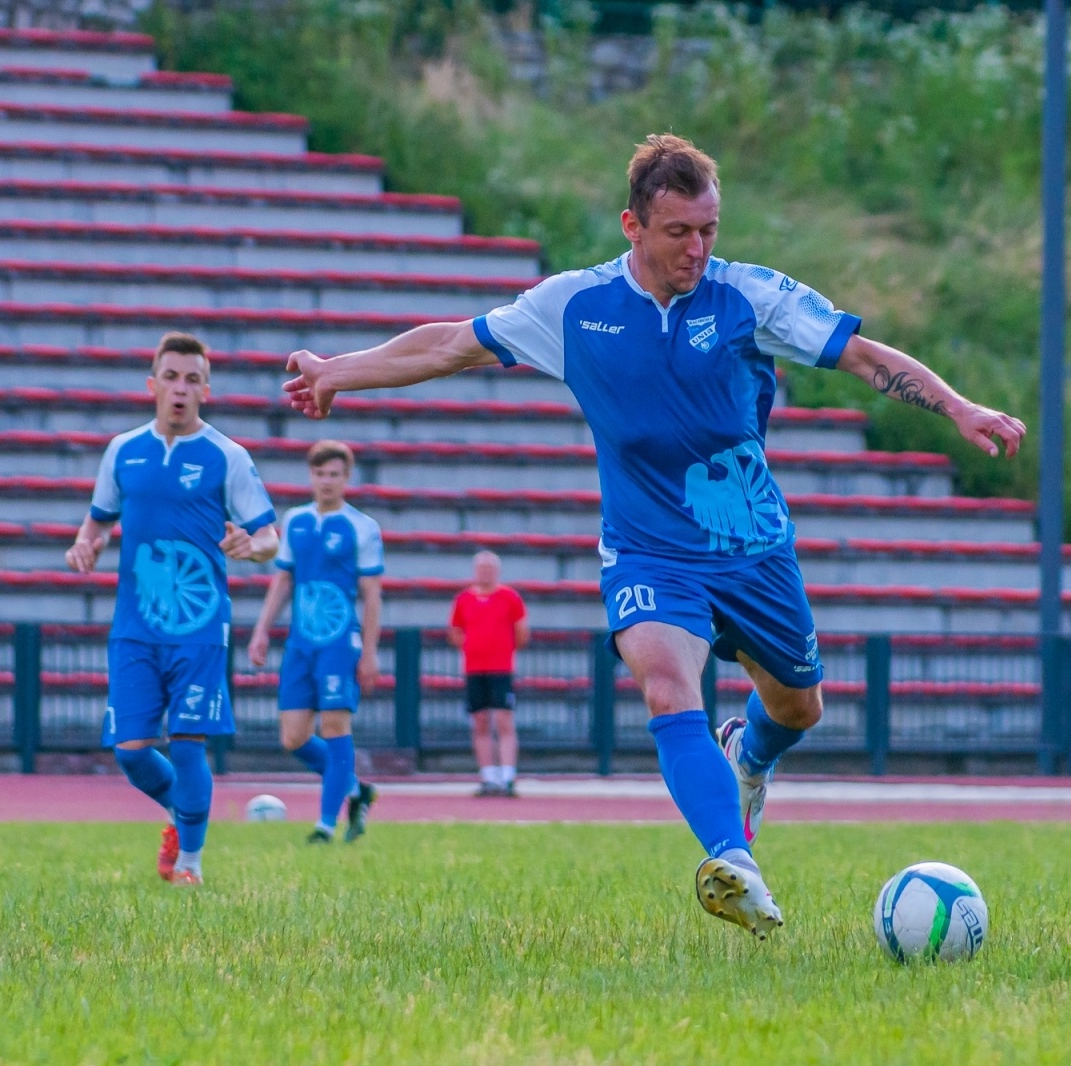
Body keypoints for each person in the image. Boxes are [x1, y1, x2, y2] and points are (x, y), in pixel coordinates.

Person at [282, 134, 1024, 938]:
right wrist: (336, 371)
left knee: (800, 705)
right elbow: (451, 344)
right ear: (633, 226)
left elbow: (863, 356)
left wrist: (956, 406)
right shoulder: (574, 307)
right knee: (667, 685)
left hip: (751, 546)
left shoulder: (749, 297)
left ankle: (749, 754)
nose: (698, 248)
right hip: (647, 549)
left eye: (708, 229)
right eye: (679, 232)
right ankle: (731, 859)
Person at [66, 331, 279, 887]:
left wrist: (249, 546)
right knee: (132, 752)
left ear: (205, 389)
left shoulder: (227, 456)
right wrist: (85, 544)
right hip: (134, 626)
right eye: (171, 377)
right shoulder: (123, 450)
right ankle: (180, 818)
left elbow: (270, 539)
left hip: (199, 627)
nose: (180, 388)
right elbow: (99, 519)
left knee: (188, 747)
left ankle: (190, 864)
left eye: (192, 379)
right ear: (152, 384)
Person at [247, 440, 383, 843]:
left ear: (346, 478)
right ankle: (358, 790)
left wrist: (370, 652)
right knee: (293, 736)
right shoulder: (296, 521)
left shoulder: (362, 527)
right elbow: (284, 579)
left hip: (340, 643)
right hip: (300, 643)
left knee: (336, 725)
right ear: (311, 476)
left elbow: (372, 594)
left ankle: (325, 825)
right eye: (320, 474)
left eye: (335, 474)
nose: (327, 481)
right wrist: (261, 630)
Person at [447, 551, 529, 797]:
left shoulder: (509, 598)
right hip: (474, 668)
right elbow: (455, 631)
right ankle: (488, 776)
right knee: (480, 722)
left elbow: (522, 632)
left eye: (489, 568)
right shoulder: (464, 600)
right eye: (481, 568)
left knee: (504, 720)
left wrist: (501, 649)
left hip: (501, 668)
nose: (485, 573)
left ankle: (507, 775)